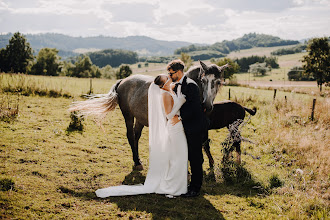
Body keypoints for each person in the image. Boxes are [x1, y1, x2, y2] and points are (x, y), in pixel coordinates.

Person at [95, 74, 188, 198]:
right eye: (167, 79)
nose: (169, 78)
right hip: (173, 123)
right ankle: (136, 158)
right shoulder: (165, 94)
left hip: (174, 125)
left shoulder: (169, 90)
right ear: (163, 84)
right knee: (132, 128)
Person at [167, 59, 205, 197]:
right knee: (185, 155)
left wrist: (180, 117)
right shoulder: (176, 85)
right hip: (183, 127)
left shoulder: (191, 86)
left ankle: (195, 188)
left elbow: (195, 109)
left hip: (194, 127)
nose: (169, 76)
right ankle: (185, 183)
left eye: (171, 74)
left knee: (195, 157)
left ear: (179, 72)